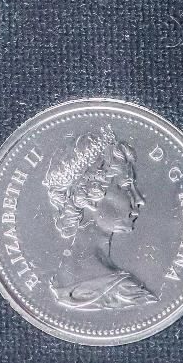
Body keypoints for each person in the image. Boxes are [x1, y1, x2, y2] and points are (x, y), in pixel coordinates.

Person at [43, 125, 157, 310]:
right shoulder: (130, 294)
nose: (139, 200)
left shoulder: (58, 283)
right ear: (89, 194)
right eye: (126, 187)